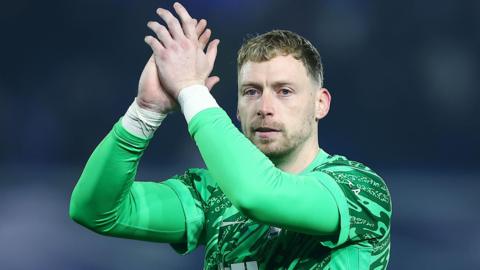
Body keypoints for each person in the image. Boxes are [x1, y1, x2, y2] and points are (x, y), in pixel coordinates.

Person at [69, 2, 391, 269]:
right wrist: (145, 111)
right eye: (251, 91)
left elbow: (258, 195)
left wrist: (192, 91)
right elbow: (95, 210)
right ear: (235, 108)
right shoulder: (212, 194)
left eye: (284, 91)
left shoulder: (360, 191)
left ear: (320, 104)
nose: (264, 107)